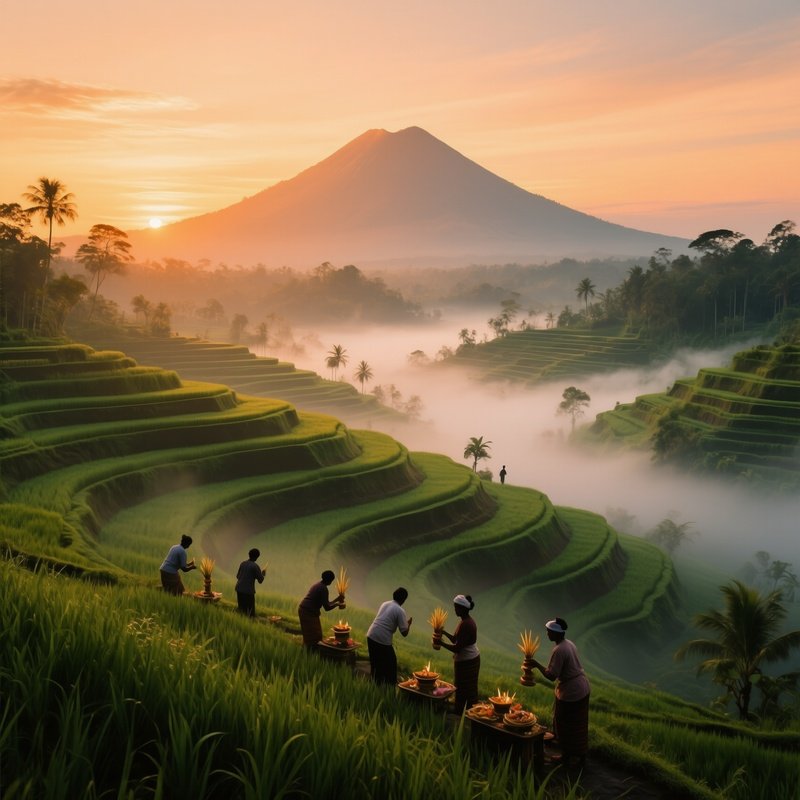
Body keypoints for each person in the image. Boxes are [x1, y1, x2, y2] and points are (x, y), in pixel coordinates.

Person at [530, 617, 591, 766]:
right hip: (582, 687)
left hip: (572, 691)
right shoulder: (569, 644)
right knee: (579, 724)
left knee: (565, 723)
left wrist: (536, 664)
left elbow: (552, 675)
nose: (547, 633)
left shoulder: (559, 650)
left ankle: (566, 756)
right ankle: (581, 755)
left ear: (556, 633)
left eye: (549, 631)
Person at [437, 594, 480, 711]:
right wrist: (443, 632)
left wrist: (441, 643)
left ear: (463, 608)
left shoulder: (466, 624)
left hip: (468, 661)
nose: (455, 610)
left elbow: (457, 648)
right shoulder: (464, 621)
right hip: (468, 659)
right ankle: (463, 708)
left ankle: (463, 710)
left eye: (456, 607)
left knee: (464, 686)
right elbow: (455, 639)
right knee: (463, 686)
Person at [366, 587, 413, 685]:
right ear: (404, 600)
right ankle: (389, 688)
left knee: (375, 664)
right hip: (382, 639)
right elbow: (404, 632)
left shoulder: (385, 603)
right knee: (391, 666)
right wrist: (408, 624)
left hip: (371, 635)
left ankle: (374, 686)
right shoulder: (400, 610)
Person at [298, 570, 344, 647]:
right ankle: (310, 650)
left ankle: (308, 649)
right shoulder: (323, 589)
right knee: (314, 635)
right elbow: (327, 608)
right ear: (330, 580)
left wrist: (337, 599)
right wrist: (337, 604)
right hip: (308, 612)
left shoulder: (318, 585)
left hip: (305, 610)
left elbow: (327, 603)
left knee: (311, 634)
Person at [235, 548, 266, 616]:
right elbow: (260, 580)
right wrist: (263, 574)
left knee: (241, 610)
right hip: (248, 592)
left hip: (239, 589)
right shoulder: (255, 566)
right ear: (257, 557)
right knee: (250, 613)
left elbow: (238, 576)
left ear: (249, 555)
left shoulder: (242, 563)